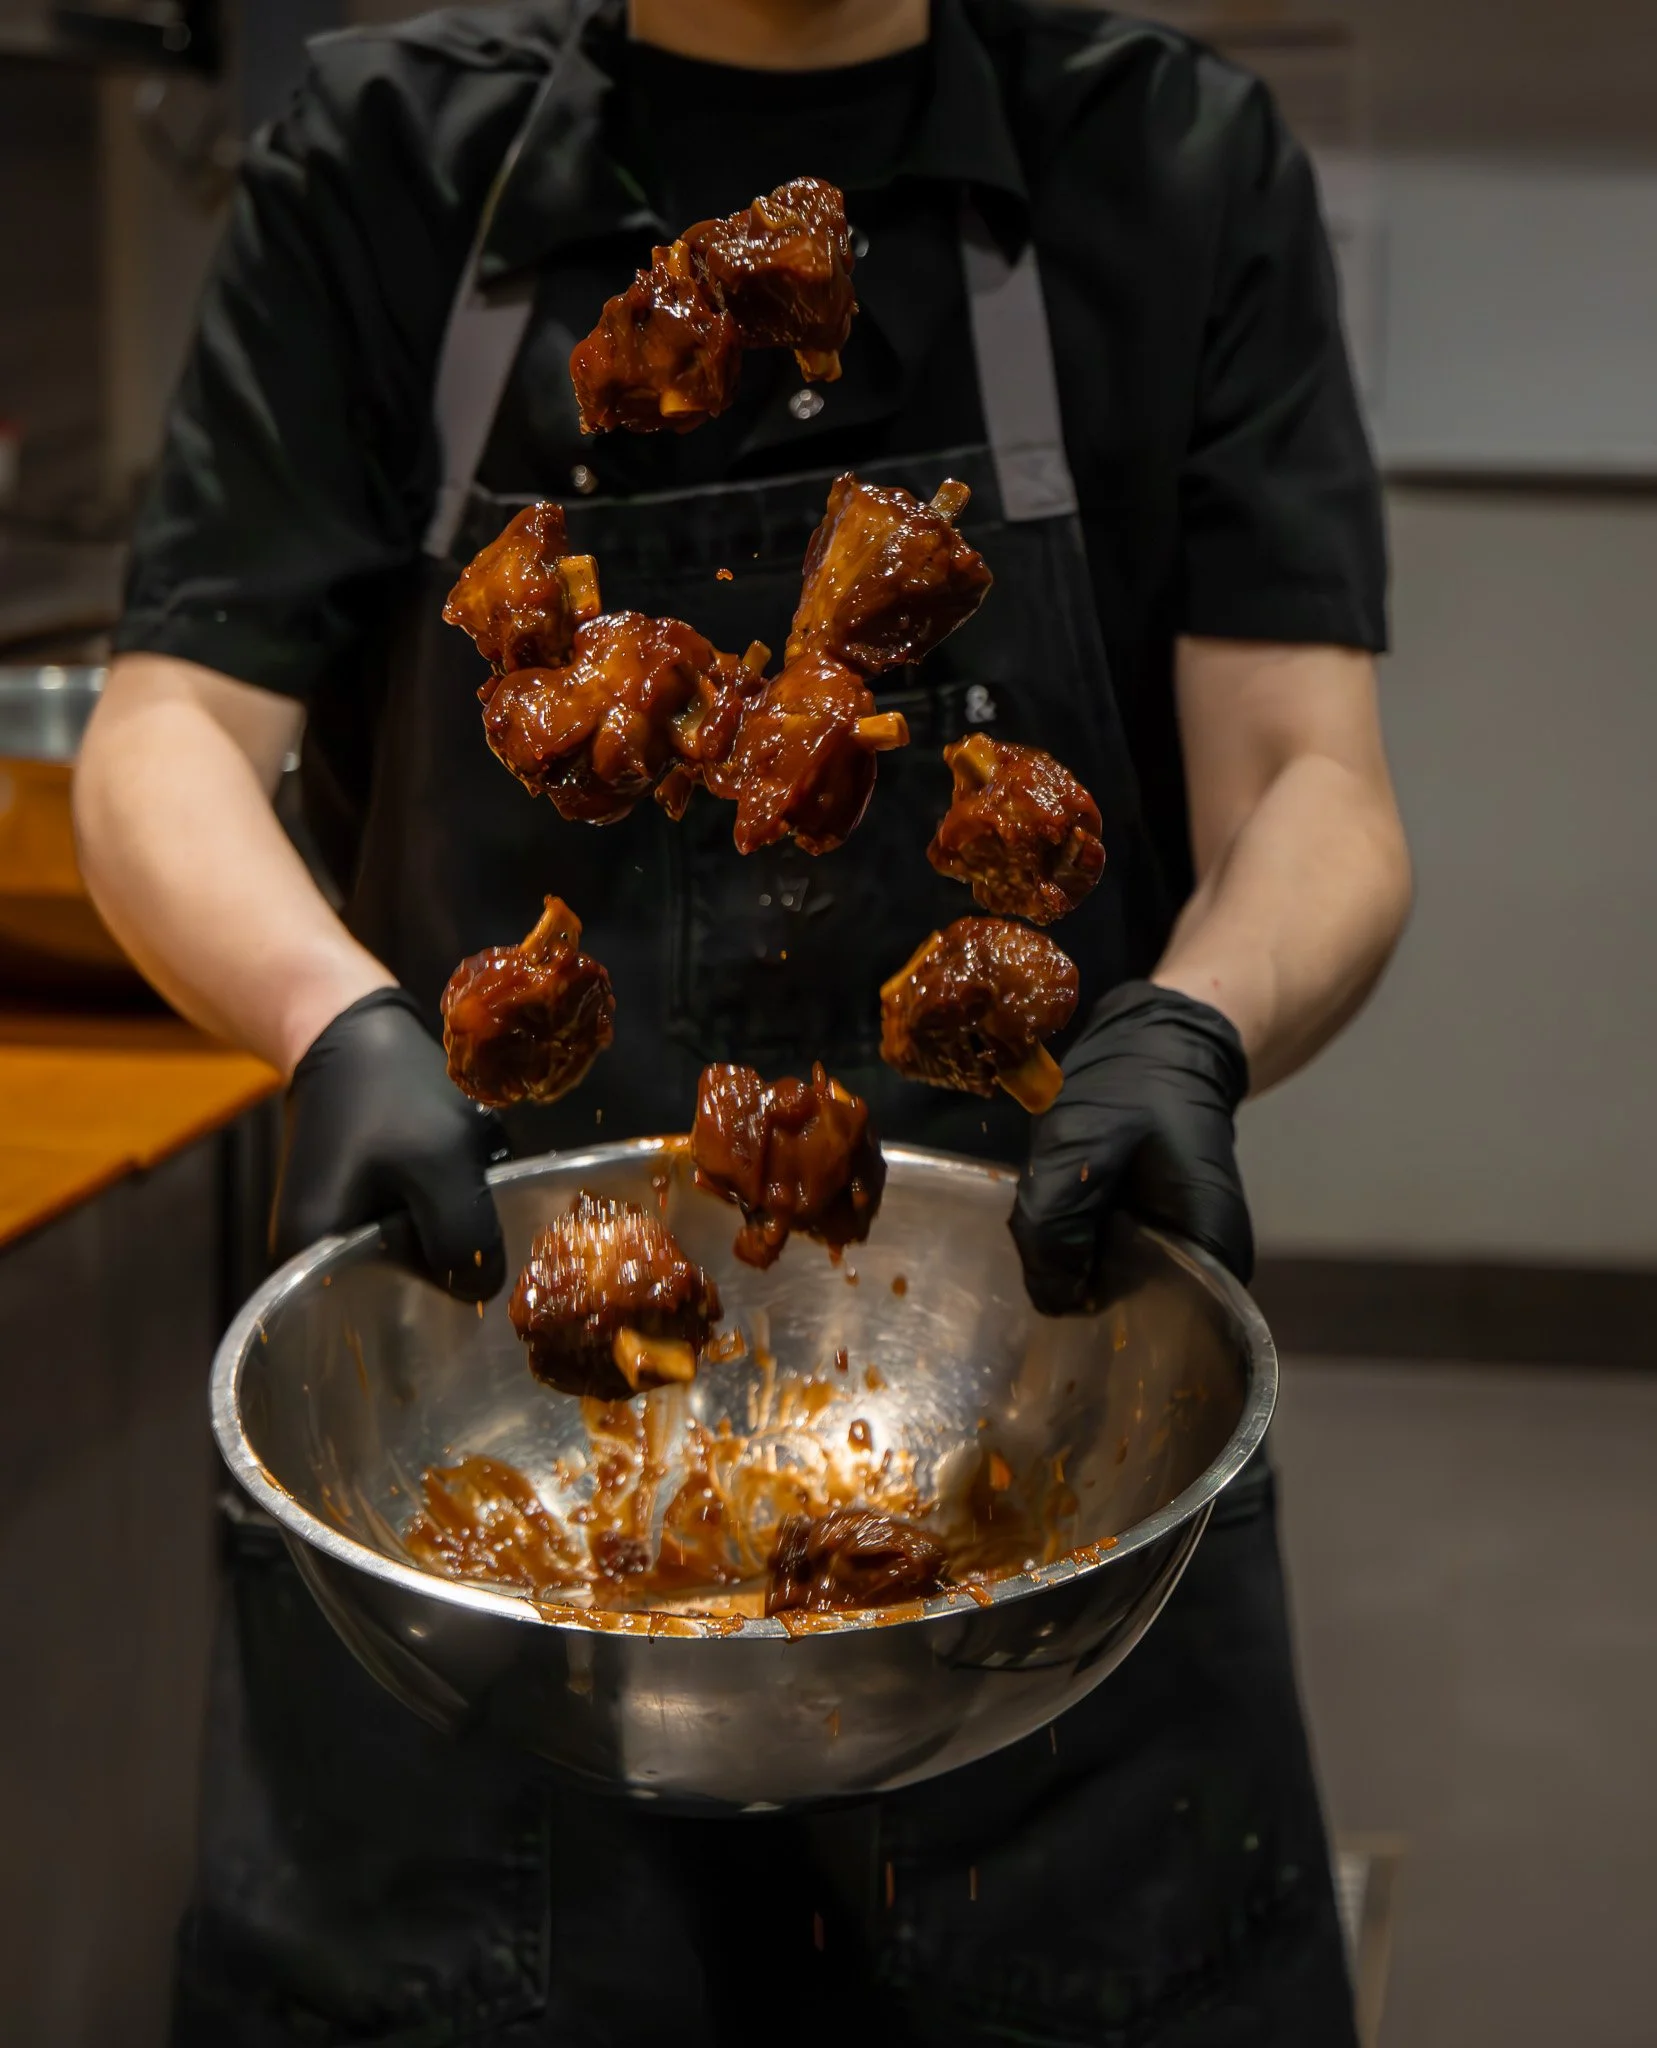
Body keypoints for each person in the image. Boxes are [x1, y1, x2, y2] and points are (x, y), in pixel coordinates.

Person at [74, 1, 1412, 2040]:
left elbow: (1314, 774)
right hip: (479, 1493)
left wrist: (1197, 1025)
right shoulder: (386, 161)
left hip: (1040, 1464)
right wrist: (324, 1012)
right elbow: (167, 726)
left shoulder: (1167, 163)